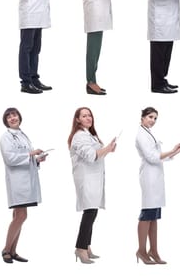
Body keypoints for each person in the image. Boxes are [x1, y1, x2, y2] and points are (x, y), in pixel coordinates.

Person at [134, 107, 180, 264]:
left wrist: (178, 151)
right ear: (142, 117)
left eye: (155, 118)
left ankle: (154, 251)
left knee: (154, 217)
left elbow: (160, 158)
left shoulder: (150, 133)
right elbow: (152, 157)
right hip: (149, 177)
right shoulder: (141, 135)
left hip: (156, 176)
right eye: (150, 117)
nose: (153, 120)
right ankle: (141, 251)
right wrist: (171, 150)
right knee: (147, 214)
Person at [81, 0, 130, 95]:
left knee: (96, 48)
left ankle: (93, 80)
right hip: (95, 11)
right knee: (93, 48)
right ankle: (90, 81)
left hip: (100, 10)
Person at [68, 107, 117, 263]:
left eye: (90, 115)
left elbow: (98, 154)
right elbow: (90, 156)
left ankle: (86, 246)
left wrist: (108, 149)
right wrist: (107, 149)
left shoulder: (90, 135)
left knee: (93, 212)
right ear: (77, 120)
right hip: (87, 179)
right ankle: (80, 248)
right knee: (89, 213)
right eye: (84, 116)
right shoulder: (79, 136)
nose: (88, 118)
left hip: (94, 178)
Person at [0, 107, 46, 263]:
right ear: (5, 121)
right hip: (18, 182)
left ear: (19, 117)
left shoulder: (22, 135)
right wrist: (31, 155)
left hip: (27, 181)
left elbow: (25, 157)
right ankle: (6, 250)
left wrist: (37, 159)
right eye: (9, 117)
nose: (13, 118)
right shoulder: (6, 137)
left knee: (18, 216)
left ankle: (13, 250)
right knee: (21, 216)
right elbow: (10, 159)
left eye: (14, 115)